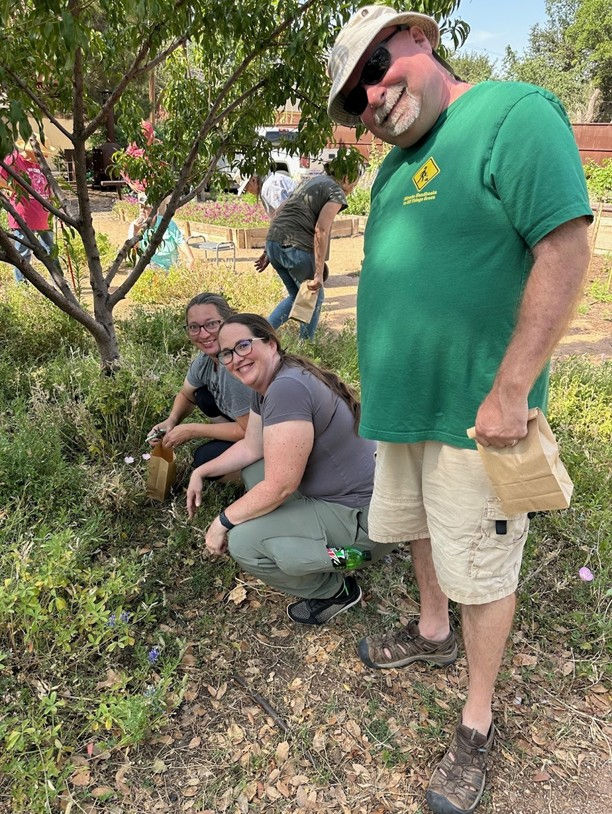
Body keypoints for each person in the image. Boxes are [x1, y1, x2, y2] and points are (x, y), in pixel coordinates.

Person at [326, 5, 592, 814]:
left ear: (422, 39)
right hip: (403, 409)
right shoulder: (393, 168)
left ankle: (476, 719)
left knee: (482, 567)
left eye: (378, 65)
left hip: (478, 418)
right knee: (416, 533)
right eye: (355, 97)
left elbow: (566, 246)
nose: (372, 96)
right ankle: (431, 633)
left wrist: (512, 391)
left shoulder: (513, 112)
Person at [186, 313, 389, 624]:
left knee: (243, 542)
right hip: (347, 499)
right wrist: (200, 472)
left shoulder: (286, 389)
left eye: (243, 346)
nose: (235, 358)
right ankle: (316, 543)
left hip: (364, 522)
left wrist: (222, 521)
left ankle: (339, 580)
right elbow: (253, 447)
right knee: (255, 469)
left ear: (270, 343)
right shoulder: (270, 382)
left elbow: (282, 485)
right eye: (227, 353)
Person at [148, 293, 251, 470]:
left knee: (204, 460)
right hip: (245, 425)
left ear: (228, 322)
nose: (203, 334)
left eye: (211, 324)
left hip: (268, 435)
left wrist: (193, 430)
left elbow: (249, 431)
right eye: (194, 327)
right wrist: (171, 421)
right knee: (201, 394)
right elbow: (186, 395)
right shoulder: (205, 361)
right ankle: (231, 442)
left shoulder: (236, 366)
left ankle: (257, 472)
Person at [255, 165, 358, 340]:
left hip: (274, 243)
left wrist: (268, 249)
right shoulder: (335, 190)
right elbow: (321, 230)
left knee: (296, 296)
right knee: (314, 295)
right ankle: (306, 347)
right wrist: (318, 273)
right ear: (347, 177)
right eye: (354, 183)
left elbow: (279, 211)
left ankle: (261, 335)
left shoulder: (309, 182)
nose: (353, 188)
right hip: (295, 247)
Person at [0, 145, 57, 283]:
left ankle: (58, 281)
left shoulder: (40, 164)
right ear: (29, 151)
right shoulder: (13, 159)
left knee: (51, 251)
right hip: (23, 215)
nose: (45, 156)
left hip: (44, 215)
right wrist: (12, 187)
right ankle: (22, 284)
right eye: (40, 153)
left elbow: (48, 186)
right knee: (23, 253)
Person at [128, 194, 194, 271]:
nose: (142, 211)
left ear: (156, 210)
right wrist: (135, 231)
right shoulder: (135, 226)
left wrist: (190, 258)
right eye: (141, 207)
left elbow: (180, 241)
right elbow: (132, 247)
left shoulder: (167, 222)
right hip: (150, 266)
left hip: (171, 266)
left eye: (146, 208)